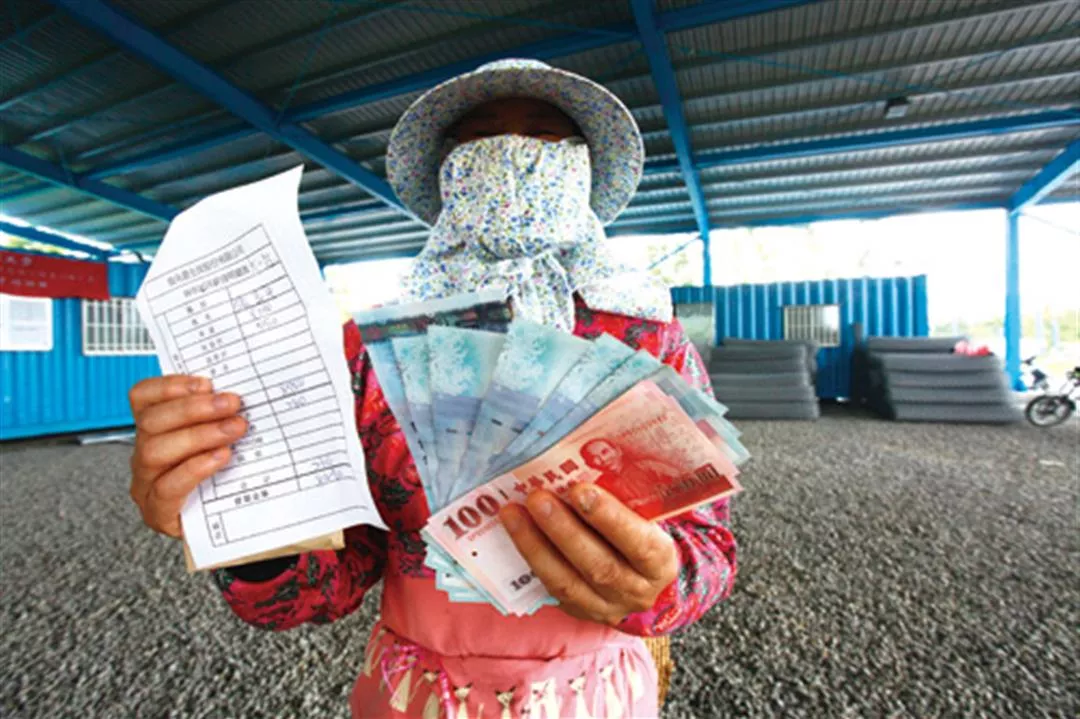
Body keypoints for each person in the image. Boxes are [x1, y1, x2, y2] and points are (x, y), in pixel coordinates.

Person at [127, 59, 737, 719]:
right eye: (479, 138)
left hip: (598, 695)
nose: (512, 153)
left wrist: (661, 584)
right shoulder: (373, 350)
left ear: (584, 168)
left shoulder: (647, 338)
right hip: (415, 696)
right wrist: (243, 521)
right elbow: (330, 577)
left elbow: (707, 546)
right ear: (448, 174)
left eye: (545, 135)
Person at [580, 438, 681, 513]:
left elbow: (684, 483)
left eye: (605, 452)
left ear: (618, 450)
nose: (603, 459)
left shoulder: (648, 466)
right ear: (590, 465)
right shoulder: (599, 486)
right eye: (594, 458)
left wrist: (645, 501)